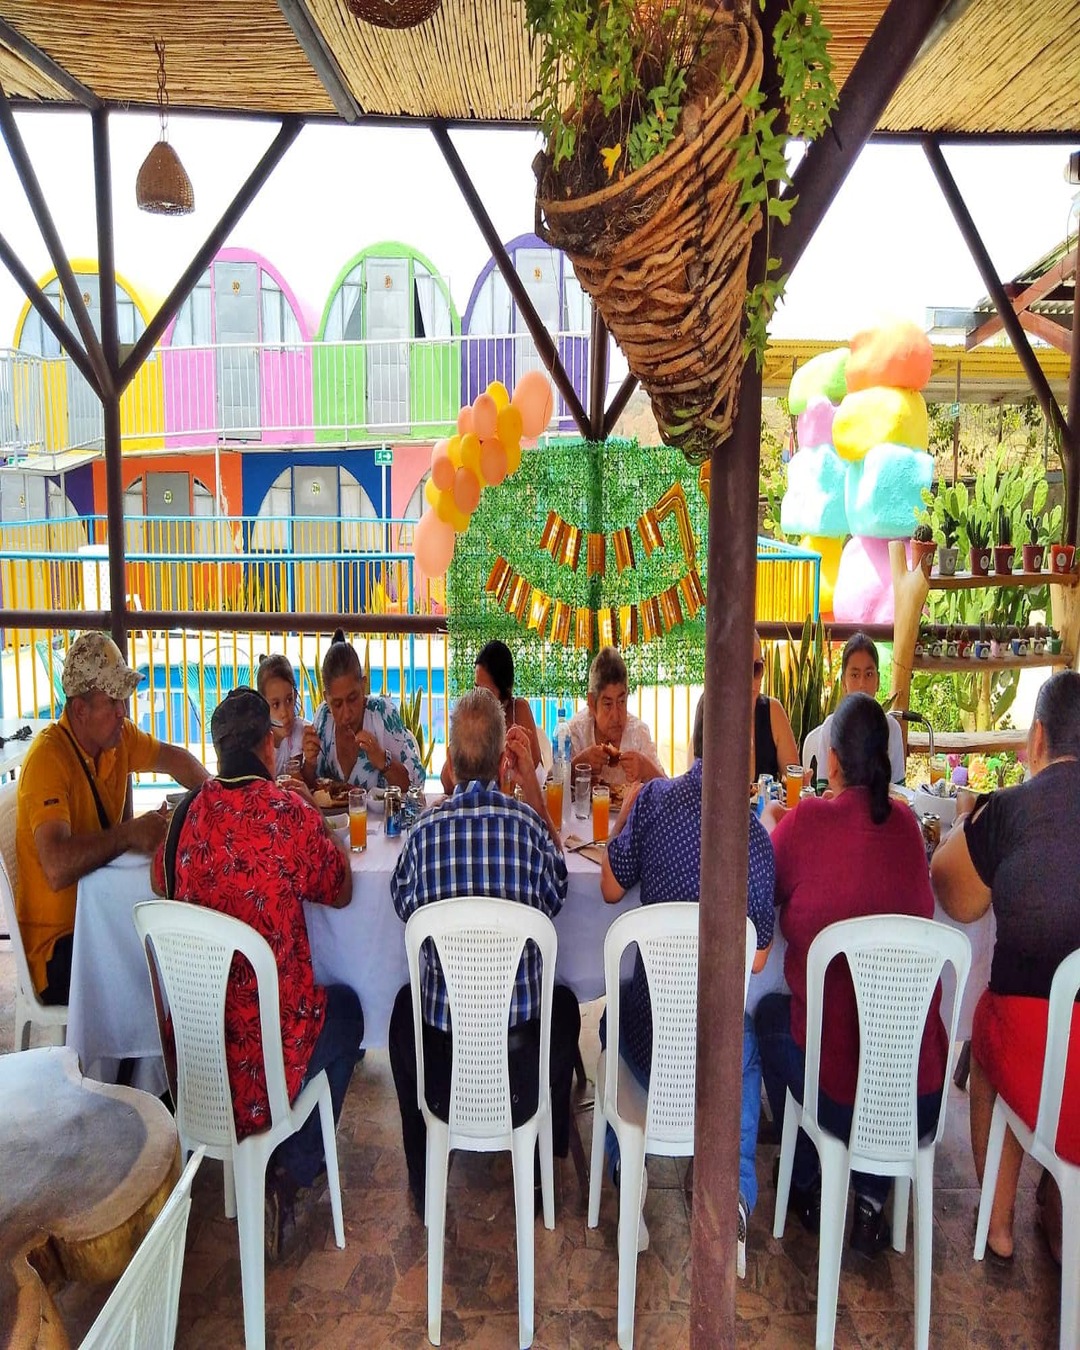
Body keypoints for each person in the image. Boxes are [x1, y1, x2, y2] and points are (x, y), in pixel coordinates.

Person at [152, 686, 362, 1259]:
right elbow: (340, 889)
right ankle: (289, 1171)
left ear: (219, 752)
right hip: (269, 1058)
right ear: (269, 745)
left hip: (198, 1056)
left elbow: (158, 883)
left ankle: (259, 1164)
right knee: (348, 1011)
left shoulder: (185, 816)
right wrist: (316, 815)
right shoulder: (286, 813)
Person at [756, 692, 948, 1258]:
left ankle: (808, 1179)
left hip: (839, 1098)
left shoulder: (809, 821)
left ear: (831, 760)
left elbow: (766, 884)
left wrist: (769, 823)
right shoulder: (909, 828)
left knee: (769, 1016)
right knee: (880, 1045)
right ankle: (869, 1197)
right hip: (918, 1096)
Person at [388, 686, 581, 1217]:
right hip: (521, 1062)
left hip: (444, 1062)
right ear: (504, 763)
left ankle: (424, 1175)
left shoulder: (423, 836)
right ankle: (542, 1159)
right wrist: (537, 802)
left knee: (403, 1010)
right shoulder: (529, 831)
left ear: (450, 764)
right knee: (565, 1006)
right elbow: (558, 892)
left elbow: (402, 903)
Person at [600, 693, 774, 1275]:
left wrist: (624, 814)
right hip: (714, 1054)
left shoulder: (653, 802)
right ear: (742, 752)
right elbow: (757, 961)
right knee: (748, 1048)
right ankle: (734, 1191)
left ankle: (626, 1171)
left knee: (610, 1022)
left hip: (648, 1039)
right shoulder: (754, 838)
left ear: (696, 742)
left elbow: (609, 888)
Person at [932, 669, 1080, 1264]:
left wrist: (966, 825)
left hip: (1039, 1061)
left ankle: (997, 1223)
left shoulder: (1012, 809)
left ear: (1037, 736)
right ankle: (1059, 1214)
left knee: (989, 1030)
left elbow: (957, 897)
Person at [14, 631, 208, 1005]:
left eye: (123, 699)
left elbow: (176, 759)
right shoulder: (48, 760)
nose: (123, 711)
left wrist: (223, 800)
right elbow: (56, 866)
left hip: (101, 919)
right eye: (112, 701)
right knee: (169, 970)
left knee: (182, 948)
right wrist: (127, 834)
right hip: (60, 946)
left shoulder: (116, 739)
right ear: (80, 710)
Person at [302, 630, 424, 794]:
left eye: (352, 698)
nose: (346, 713)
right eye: (337, 704)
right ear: (326, 699)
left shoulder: (382, 714)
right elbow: (309, 788)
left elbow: (416, 785)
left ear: (363, 685)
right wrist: (309, 763)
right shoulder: (324, 718)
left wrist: (383, 761)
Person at [440, 639, 542, 792]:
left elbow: (538, 776)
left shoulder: (519, 711)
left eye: (486, 692)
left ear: (505, 694)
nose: (479, 696)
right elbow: (447, 783)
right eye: (476, 688)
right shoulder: (474, 716)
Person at [811, 633, 906, 783]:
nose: (862, 684)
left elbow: (897, 789)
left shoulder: (892, 728)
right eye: (855, 675)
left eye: (869, 674)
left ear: (878, 681)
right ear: (844, 682)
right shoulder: (830, 727)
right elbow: (824, 789)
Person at [568, 646, 665, 788]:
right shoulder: (577, 732)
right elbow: (549, 785)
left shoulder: (638, 734)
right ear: (592, 703)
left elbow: (669, 792)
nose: (616, 716)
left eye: (621, 702)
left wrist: (647, 770)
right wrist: (576, 766)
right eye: (608, 704)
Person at [751, 630, 799, 784]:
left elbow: (793, 778)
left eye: (757, 668)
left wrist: (797, 783)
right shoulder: (710, 714)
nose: (751, 679)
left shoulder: (773, 712)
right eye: (741, 669)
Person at [257, 652, 310, 778]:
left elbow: (295, 779)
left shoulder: (299, 730)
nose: (284, 713)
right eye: (276, 704)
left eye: (289, 700)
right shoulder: (258, 741)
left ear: (295, 696)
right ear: (263, 706)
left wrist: (311, 762)